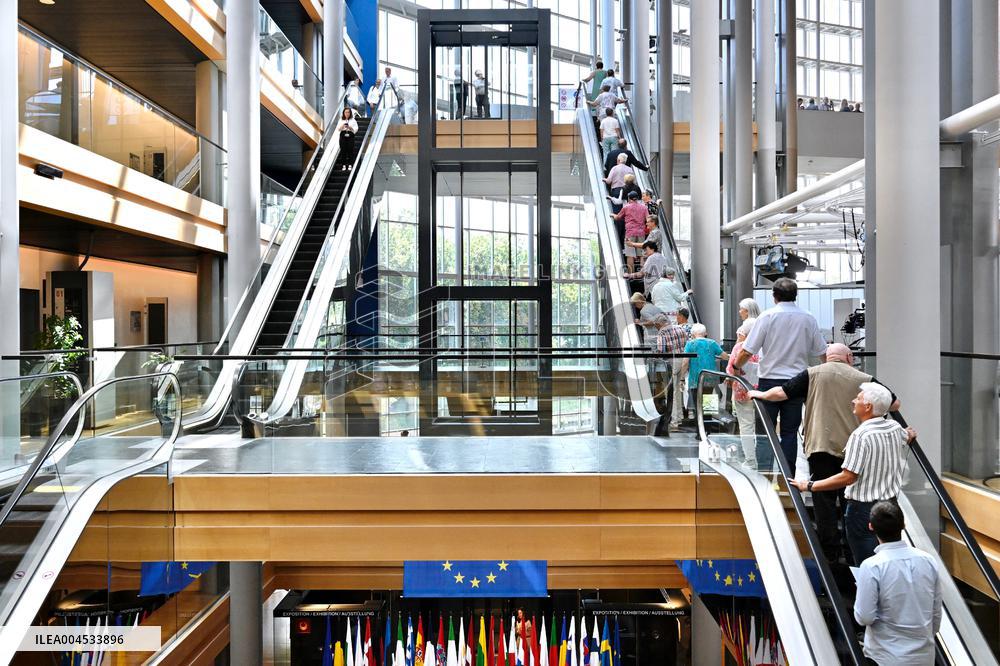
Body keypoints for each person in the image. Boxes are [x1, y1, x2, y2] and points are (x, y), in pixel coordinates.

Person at [749, 343, 900, 566]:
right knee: (849, 499)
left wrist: (759, 393)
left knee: (825, 505)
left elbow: (781, 393)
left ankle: (828, 557)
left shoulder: (812, 374)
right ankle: (852, 558)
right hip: (853, 449)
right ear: (849, 357)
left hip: (821, 447)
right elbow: (894, 403)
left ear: (827, 358)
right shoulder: (864, 378)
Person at [789, 383, 917, 565]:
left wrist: (810, 485)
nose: (853, 400)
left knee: (867, 563)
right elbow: (907, 435)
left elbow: (848, 477)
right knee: (892, 560)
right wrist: (910, 433)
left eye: (859, 398)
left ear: (868, 407)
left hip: (864, 510)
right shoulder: (894, 427)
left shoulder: (861, 436)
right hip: (891, 506)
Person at [731, 277, 827, 469]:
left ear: (774, 296)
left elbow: (748, 350)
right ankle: (788, 476)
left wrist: (736, 367)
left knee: (765, 430)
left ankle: (765, 472)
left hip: (769, 381)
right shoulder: (808, 317)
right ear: (796, 295)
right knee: (790, 432)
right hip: (798, 381)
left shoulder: (767, 317)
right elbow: (822, 352)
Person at [853, 501, 941, 665]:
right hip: (924, 656)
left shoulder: (871, 566)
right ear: (904, 524)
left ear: (871, 527)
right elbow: (935, 615)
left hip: (886, 657)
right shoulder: (928, 561)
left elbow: (864, 617)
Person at [727, 318, 759, 465]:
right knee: (763, 426)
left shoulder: (740, 347)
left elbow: (730, 369)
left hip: (742, 391)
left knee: (746, 425)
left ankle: (750, 459)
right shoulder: (766, 347)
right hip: (764, 392)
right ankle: (765, 458)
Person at [682, 324, 728, 417]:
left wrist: (682, 377)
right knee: (709, 406)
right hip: (710, 378)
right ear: (705, 333)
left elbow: (685, 362)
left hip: (695, 379)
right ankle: (708, 427)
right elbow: (725, 356)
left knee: (697, 406)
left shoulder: (690, 344)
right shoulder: (712, 343)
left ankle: (699, 429)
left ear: (693, 334)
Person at [656, 315, 690, 427]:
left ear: (659, 324)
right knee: (678, 390)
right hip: (684, 361)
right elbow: (687, 344)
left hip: (672, 362)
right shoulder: (681, 328)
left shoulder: (662, 332)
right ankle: (680, 416)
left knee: (672, 392)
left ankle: (674, 420)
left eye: (657, 326)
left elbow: (661, 350)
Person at [612, 192, 648, 272]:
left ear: (629, 198)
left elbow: (618, 217)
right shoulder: (644, 207)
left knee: (630, 255)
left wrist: (613, 215)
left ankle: (631, 274)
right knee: (641, 254)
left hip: (630, 233)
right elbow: (648, 219)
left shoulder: (626, 207)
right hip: (641, 233)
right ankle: (642, 274)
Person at [604, 153, 635, 218]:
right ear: (625, 161)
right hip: (627, 192)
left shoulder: (614, 168)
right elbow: (633, 181)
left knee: (617, 211)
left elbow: (609, 181)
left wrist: (604, 179)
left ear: (618, 160)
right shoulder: (630, 169)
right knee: (626, 210)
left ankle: (618, 226)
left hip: (616, 191)